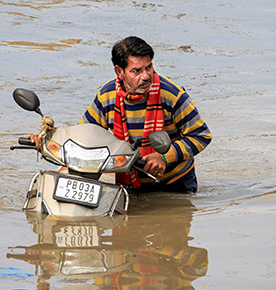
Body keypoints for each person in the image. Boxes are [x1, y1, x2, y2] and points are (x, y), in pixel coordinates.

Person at [80, 36, 211, 193]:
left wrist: (164, 157)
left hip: (176, 182)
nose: (146, 76)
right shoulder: (106, 96)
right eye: (136, 71)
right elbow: (84, 136)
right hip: (129, 181)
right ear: (119, 72)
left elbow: (201, 136)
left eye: (148, 67)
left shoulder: (171, 94)